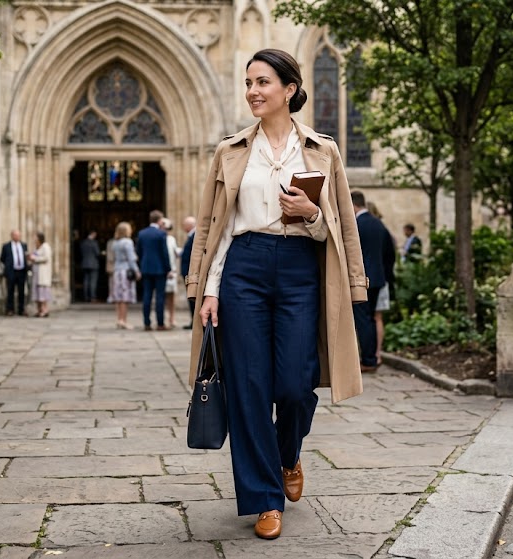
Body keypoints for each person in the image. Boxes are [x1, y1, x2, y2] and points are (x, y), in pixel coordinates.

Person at [186, 48, 367, 540]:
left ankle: (289, 454)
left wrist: (310, 213)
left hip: (300, 269)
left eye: (262, 82)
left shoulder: (322, 150)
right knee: (247, 388)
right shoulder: (230, 151)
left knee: (293, 385)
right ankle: (265, 499)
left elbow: (342, 226)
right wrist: (210, 290)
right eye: (248, 83)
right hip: (243, 267)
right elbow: (216, 228)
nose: (252, 91)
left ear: (289, 89)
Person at [352, 191, 388, 372]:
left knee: (363, 320)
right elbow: (390, 252)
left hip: (362, 279)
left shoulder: (356, 224)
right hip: (378, 278)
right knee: (372, 319)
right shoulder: (379, 223)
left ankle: (367, 360)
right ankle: (373, 356)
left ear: (353, 205)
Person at [135, 209, 172, 331]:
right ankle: (160, 323)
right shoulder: (161, 234)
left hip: (146, 268)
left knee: (147, 296)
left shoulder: (142, 233)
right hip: (160, 269)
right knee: (160, 297)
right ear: (160, 220)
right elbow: (164, 253)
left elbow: (139, 252)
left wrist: (142, 264)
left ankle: (147, 323)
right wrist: (168, 269)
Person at [369, 202, 396, 359]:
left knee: (369, 318)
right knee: (377, 317)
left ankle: (373, 353)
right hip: (383, 279)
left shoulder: (367, 228)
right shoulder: (383, 230)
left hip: (373, 279)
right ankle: (378, 353)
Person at [110, 221, 140, 328]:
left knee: (118, 297)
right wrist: (136, 271)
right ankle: (123, 320)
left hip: (117, 271)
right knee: (124, 297)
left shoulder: (115, 243)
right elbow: (131, 259)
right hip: (125, 271)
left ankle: (119, 319)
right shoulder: (128, 242)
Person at [0, 231, 29, 316]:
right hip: (11, 272)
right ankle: (10, 309)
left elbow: (25, 256)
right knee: (10, 291)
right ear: (12, 236)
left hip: (22, 271)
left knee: (21, 291)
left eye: (18, 235)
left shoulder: (24, 245)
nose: (17, 237)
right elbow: (2, 258)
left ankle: (21, 310)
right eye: (15, 235)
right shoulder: (6, 246)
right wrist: (8, 266)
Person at [29, 232, 53, 317]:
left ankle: (44, 310)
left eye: (35, 238)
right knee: (37, 293)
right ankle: (39, 310)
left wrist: (34, 258)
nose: (34, 240)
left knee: (42, 293)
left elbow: (46, 258)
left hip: (43, 274)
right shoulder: (37, 247)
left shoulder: (45, 247)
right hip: (36, 274)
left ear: (40, 238)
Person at [161, 217, 180, 328]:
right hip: (162, 271)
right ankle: (162, 318)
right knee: (161, 296)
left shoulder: (171, 239)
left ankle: (172, 318)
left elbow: (175, 251)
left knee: (171, 296)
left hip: (171, 270)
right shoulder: (159, 238)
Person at [179, 215, 197, 329]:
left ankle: (194, 323)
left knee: (193, 298)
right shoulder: (191, 236)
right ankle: (193, 322)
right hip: (188, 273)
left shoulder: (196, 236)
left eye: (184, 224)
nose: (182, 226)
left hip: (191, 273)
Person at [79, 230, 100, 303]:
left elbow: (81, 252)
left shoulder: (83, 242)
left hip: (84, 264)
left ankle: (86, 297)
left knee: (86, 281)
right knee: (93, 282)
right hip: (93, 264)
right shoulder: (94, 243)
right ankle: (92, 297)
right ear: (93, 234)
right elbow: (97, 253)